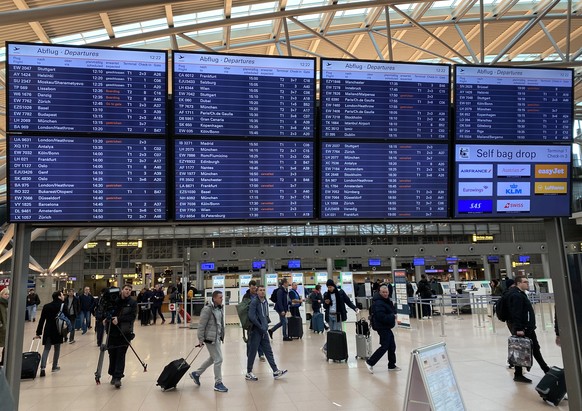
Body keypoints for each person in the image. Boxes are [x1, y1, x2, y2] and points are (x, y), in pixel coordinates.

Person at [507, 275, 550, 383]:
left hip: (527, 327)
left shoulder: (520, 294)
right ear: (518, 283)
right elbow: (516, 313)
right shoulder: (517, 296)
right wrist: (519, 329)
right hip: (523, 328)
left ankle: (520, 373)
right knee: (529, 349)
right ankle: (545, 369)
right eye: (525, 282)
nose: (527, 283)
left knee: (528, 349)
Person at [246, 285, 288, 382]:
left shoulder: (265, 301)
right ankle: (249, 372)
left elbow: (265, 315)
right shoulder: (254, 302)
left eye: (263, 290)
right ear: (257, 292)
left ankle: (275, 370)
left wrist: (265, 326)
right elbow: (251, 316)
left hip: (264, 331)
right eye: (260, 290)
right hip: (256, 330)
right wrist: (260, 326)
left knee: (268, 351)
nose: (262, 292)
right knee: (253, 351)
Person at [189, 290, 228, 393]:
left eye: (222, 297)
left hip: (217, 338)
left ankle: (196, 374)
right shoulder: (207, 309)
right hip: (210, 339)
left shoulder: (220, 308)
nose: (222, 299)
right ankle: (218, 383)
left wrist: (221, 335)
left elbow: (220, 324)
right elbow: (201, 325)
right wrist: (200, 339)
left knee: (213, 358)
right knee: (219, 359)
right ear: (214, 298)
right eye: (220, 297)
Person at [105, 284, 137, 388]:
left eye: (129, 290)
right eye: (126, 289)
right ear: (122, 290)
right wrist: (107, 319)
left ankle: (118, 377)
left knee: (121, 354)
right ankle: (113, 374)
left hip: (125, 332)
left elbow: (132, 316)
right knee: (112, 354)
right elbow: (107, 311)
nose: (128, 291)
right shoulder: (114, 300)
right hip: (112, 332)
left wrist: (119, 319)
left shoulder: (132, 303)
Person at [365, 285, 400, 373]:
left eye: (386, 292)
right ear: (380, 293)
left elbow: (391, 310)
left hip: (387, 327)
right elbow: (381, 317)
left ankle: (392, 365)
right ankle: (370, 362)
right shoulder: (378, 303)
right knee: (385, 346)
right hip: (382, 327)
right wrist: (392, 316)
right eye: (383, 292)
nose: (385, 294)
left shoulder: (387, 301)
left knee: (392, 346)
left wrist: (394, 313)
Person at [321, 279, 359, 354]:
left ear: (334, 286)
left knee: (336, 332)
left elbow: (347, 301)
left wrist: (355, 308)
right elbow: (325, 307)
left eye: (331, 287)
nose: (330, 289)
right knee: (332, 332)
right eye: (328, 287)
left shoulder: (340, 292)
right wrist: (326, 303)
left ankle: (326, 348)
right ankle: (331, 349)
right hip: (329, 315)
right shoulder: (326, 294)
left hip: (338, 315)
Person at [35, 291, 65, 377]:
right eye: (62, 295)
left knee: (46, 349)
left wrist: (38, 332)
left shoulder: (46, 306)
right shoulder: (62, 306)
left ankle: (43, 368)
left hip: (48, 329)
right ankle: (54, 366)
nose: (63, 297)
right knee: (57, 348)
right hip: (58, 329)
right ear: (59, 297)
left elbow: (42, 320)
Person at [242, 280, 264, 361]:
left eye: (255, 288)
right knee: (250, 339)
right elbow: (243, 308)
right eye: (252, 288)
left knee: (260, 338)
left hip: (259, 319)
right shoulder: (246, 296)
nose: (254, 290)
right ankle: (249, 356)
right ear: (249, 287)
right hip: (250, 321)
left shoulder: (259, 295)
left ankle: (261, 354)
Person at [0, 288, 9, 366]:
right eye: (5, 294)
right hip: (2, 328)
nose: (7, 296)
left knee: (6, 345)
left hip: (6, 327)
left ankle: (3, 360)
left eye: (8, 294)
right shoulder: (1, 304)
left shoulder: (7, 304)